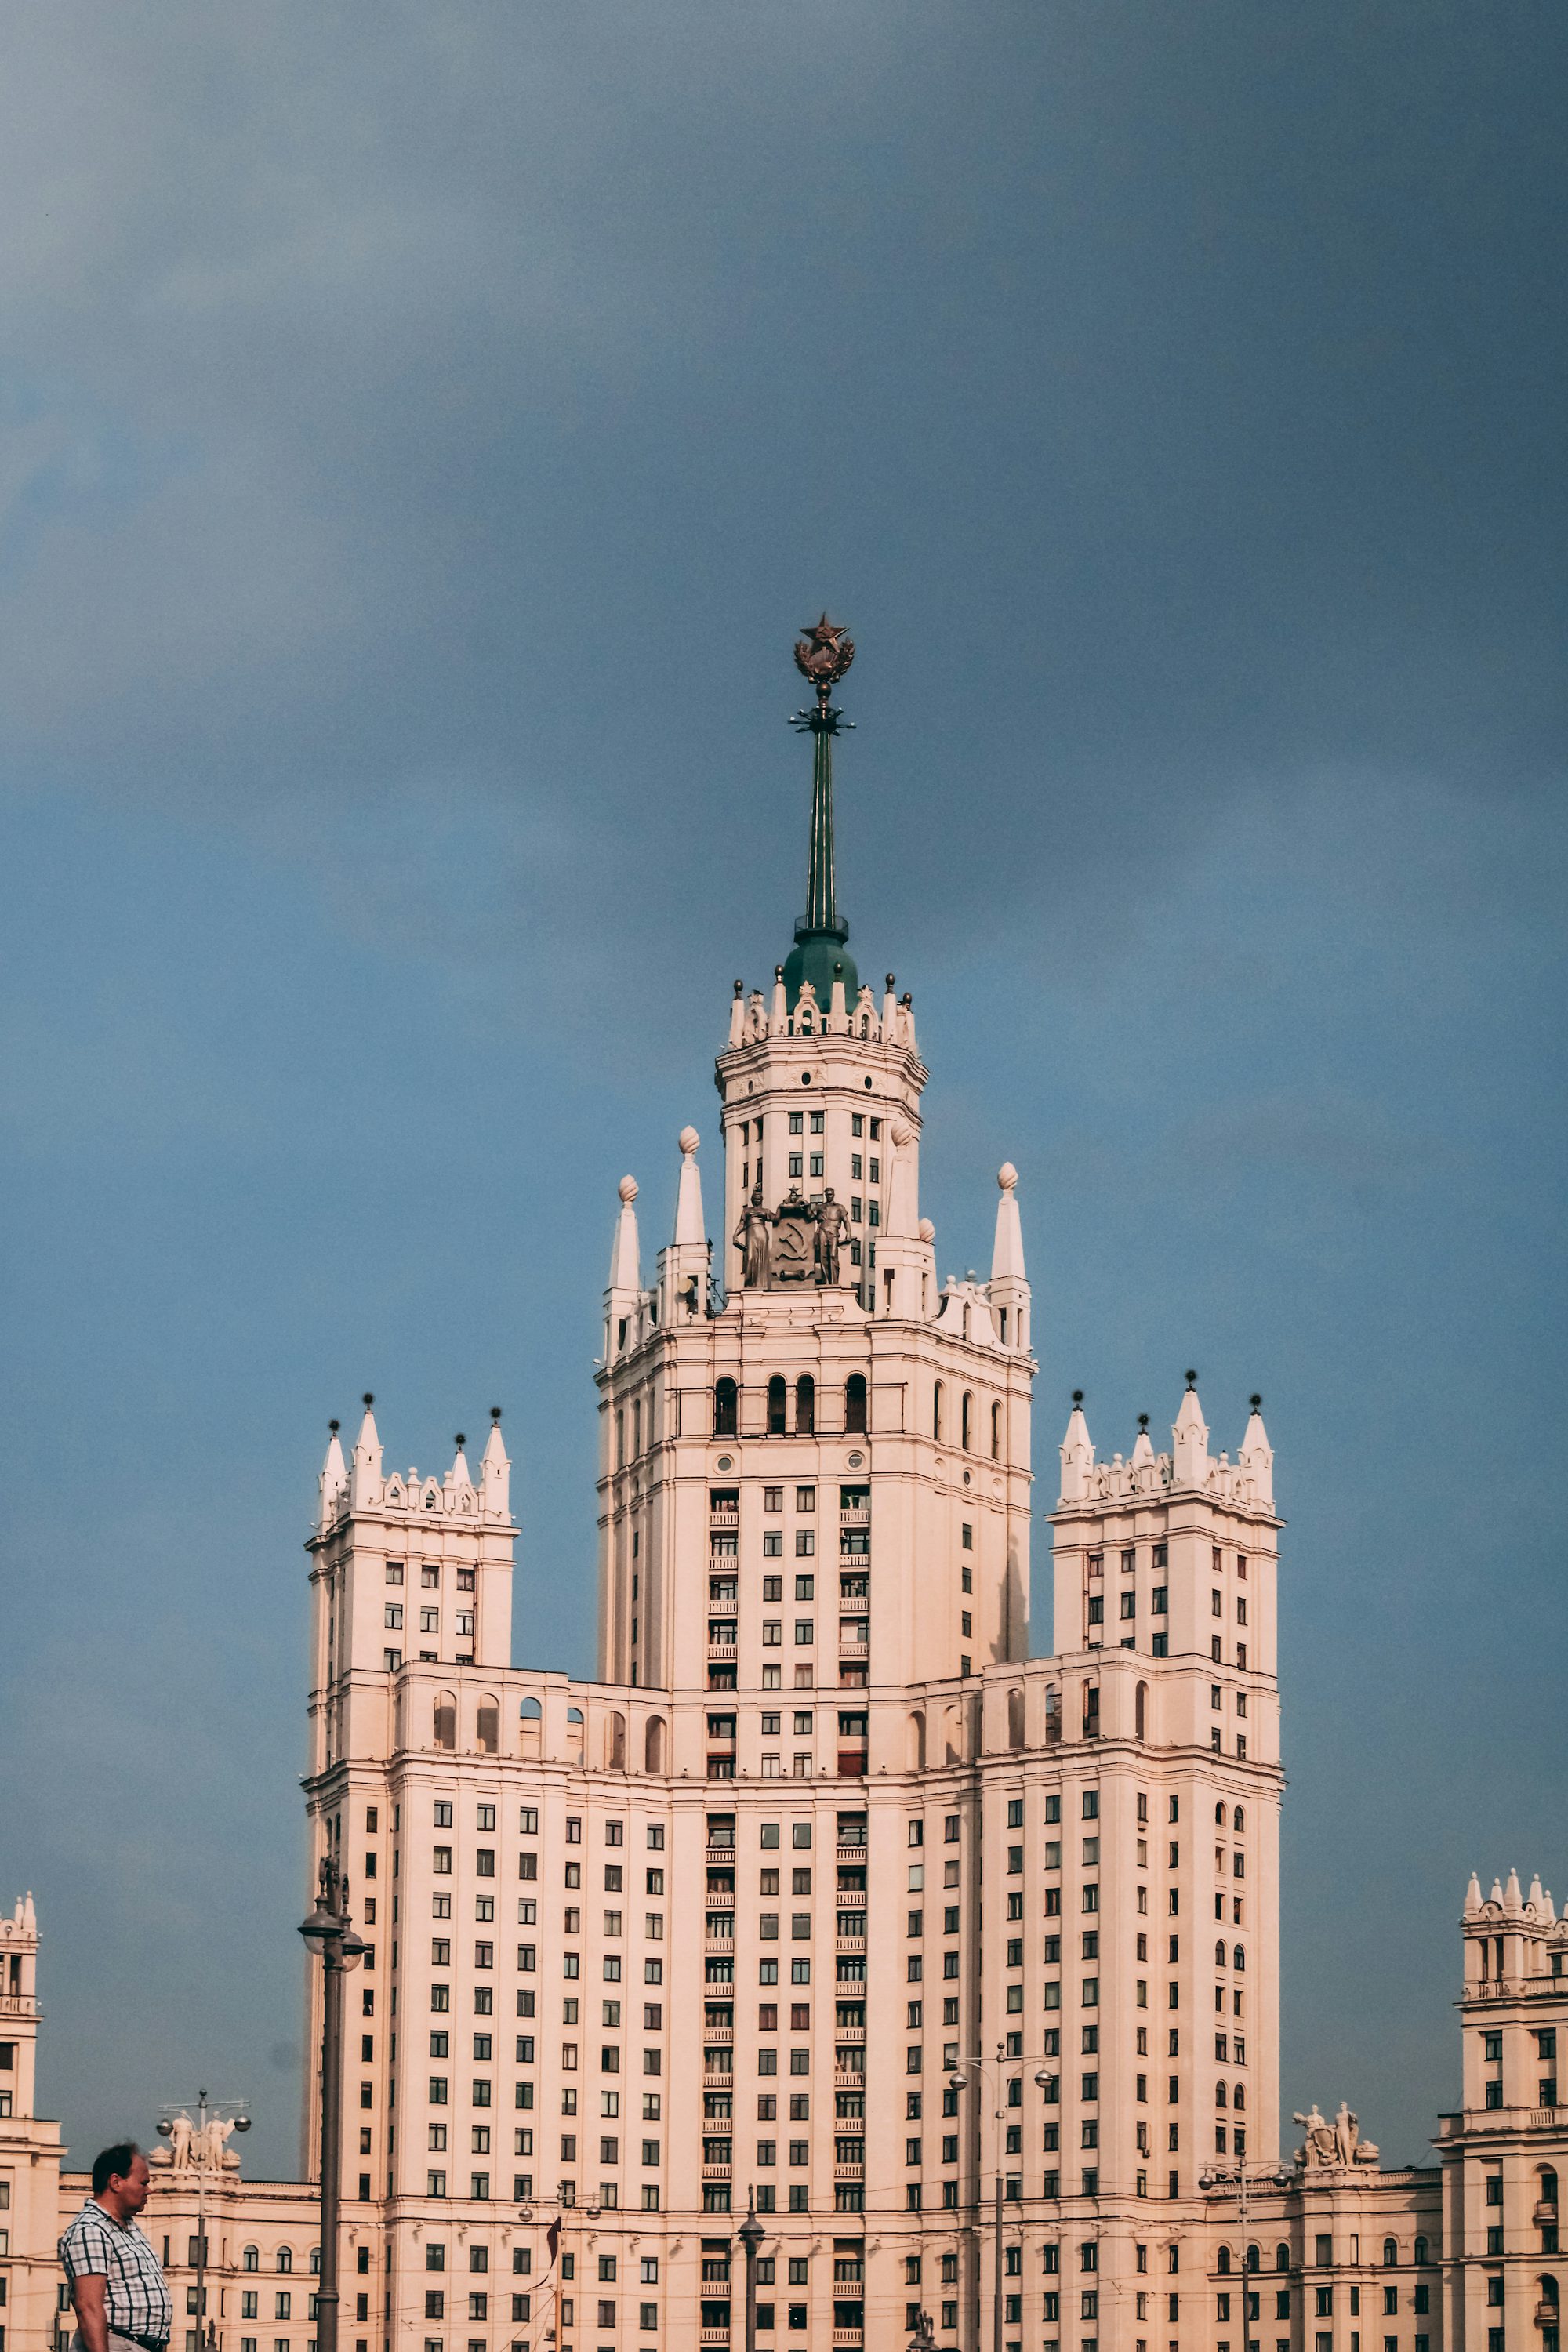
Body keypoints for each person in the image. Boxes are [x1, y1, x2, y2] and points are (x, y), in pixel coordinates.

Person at [60, 2143, 172, 2352]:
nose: (149, 2190)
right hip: (117, 2344)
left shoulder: (126, 2226)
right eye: (143, 2183)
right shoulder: (91, 2229)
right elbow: (89, 2307)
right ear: (116, 2182)